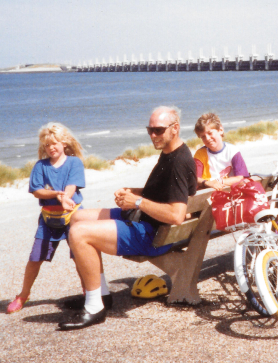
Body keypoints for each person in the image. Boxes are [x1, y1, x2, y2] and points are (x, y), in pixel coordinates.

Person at [57, 106, 197, 330]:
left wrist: (137, 202)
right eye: (149, 130)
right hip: (143, 219)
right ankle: (101, 294)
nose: (153, 135)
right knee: (76, 218)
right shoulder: (171, 151)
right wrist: (134, 192)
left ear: (175, 128)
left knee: (79, 233)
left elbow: (177, 215)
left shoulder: (179, 162)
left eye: (158, 130)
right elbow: (164, 192)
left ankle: (95, 307)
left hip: (153, 234)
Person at [7, 123, 87, 314]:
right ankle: (23, 295)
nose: (51, 148)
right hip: (48, 219)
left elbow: (72, 185)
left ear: (64, 143)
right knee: (35, 258)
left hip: (73, 216)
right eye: (47, 145)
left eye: (55, 143)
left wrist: (65, 197)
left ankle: (89, 294)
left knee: (80, 257)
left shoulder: (74, 162)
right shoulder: (40, 166)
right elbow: (36, 191)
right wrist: (55, 195)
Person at [193, 112, 249, 191]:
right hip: (208, 193)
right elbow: (195, 179)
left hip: (230, 193)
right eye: (203, 136)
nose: (207, 138)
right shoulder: (200, 154)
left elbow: (240, 178)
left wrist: (219, 181)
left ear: (221, 130)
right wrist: (208, 183)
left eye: (210, 133)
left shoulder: (232, 151)